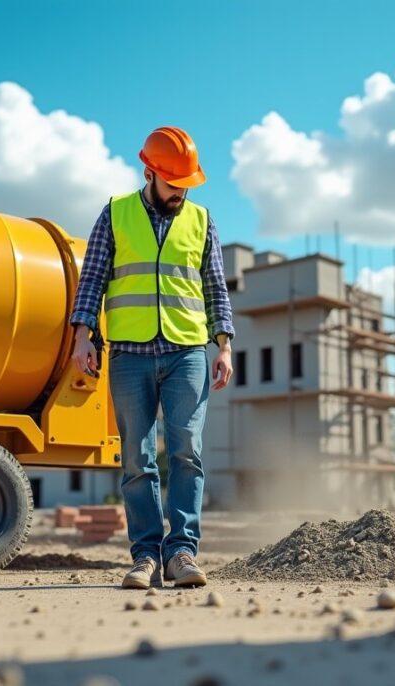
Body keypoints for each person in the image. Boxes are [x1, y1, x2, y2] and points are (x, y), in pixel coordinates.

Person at [69, 126, 234, 589]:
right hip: (130, 355)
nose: (179, 191)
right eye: (172, 182)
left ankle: (181, 552)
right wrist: (83, 336)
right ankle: (144, 557)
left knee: (186, 452)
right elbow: (93, 278)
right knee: (137, 460)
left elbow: (214, 287)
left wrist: (224, 345)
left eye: (186, 183)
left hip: (186, 352)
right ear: (149, 172)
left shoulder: (202, 220)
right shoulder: (116, 214)